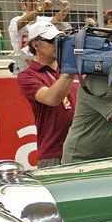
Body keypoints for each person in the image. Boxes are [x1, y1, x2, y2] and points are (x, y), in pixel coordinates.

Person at [17, 21, 76, 168]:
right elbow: (51, 98)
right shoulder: (28, 76)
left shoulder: (71, 68)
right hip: (54, 154)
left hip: (82, 151)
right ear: (36, 45)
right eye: (52, 41)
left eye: (60, 40)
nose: (57, 44)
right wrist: (71, 69)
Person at [8, 0, 71, 72]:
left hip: (40, 65)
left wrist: (66, 7)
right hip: (22, 66)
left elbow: (57, 19)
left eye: (37, 0)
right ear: (23, 5)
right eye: (31, 1)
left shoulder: (43, 20)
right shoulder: (16, 20)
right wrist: (42, 8)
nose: (35, 2)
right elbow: (22, 22)